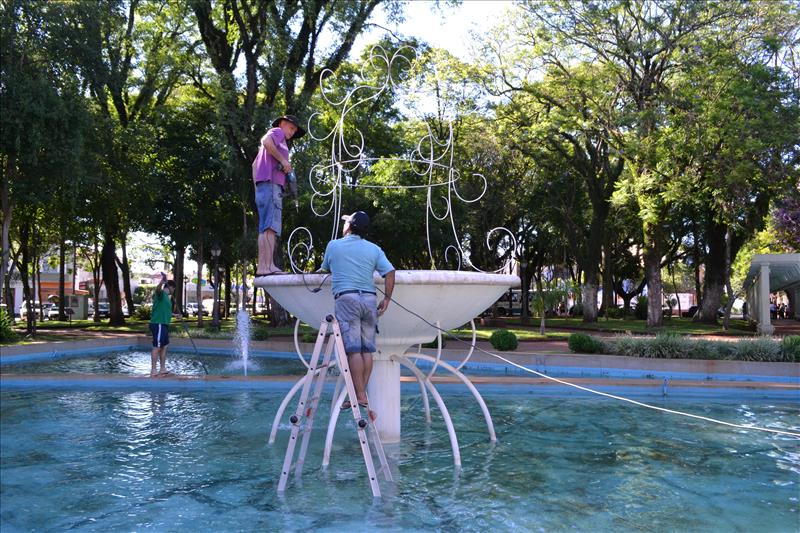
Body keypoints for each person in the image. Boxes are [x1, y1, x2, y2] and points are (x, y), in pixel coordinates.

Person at [320, 211, 395, 415]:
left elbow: (325, 269)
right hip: (369, 300)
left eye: (346, 222)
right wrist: (387, 298)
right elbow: (390, 272)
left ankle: (359, 394)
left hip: (347, 300)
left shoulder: (333, 245)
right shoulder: (374, 249)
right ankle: (360, 393)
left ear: (350, 226)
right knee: (366, 350)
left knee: (353, 350)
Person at [252, 114, 306, 277]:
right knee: (269, 227)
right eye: (291, 128)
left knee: (269, 229)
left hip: (268, 186)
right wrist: (283, 161)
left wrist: (257, 187)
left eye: (295, 130)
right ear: (282, 124)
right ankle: (264, 267)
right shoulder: (277, 133)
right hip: (270, 185)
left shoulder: (281, 142)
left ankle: (269, 264)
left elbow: (254, 165)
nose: (292, 132)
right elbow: (265, 141)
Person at [150, 274, 179, 377]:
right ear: (171, 287)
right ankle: (153, 370)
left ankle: (162, 368)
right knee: (157, 347)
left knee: (164, 346)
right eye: (173, 289)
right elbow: (157, 290)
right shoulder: (161, 294)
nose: (173, 291)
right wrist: (161, 282)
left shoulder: (167, 298)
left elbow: (165, 311)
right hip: (158, 323)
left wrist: (175, 315)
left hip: (164, 324)